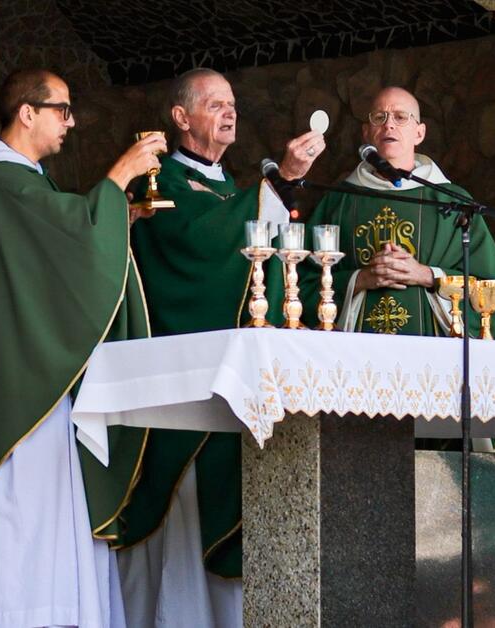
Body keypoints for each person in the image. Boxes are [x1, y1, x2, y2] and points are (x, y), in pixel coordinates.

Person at [0, 69, 163, 627]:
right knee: (28, 503)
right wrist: (118, 179)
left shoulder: (22, 182)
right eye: (61, 109)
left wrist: (115, 215)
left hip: (32, 376)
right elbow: (71, 235)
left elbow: (59, 247)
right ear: (26, 113)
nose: (71, 121)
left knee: (49, 501)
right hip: (20, 385)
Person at [119, 67, 324, 627]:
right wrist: (279, 183)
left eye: (231, 103)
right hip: (182, 390)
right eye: (214, 104)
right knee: (183, 524)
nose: (229, 112)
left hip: (231, 392)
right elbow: (192, 246)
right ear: (181, 117)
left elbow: (259, 260)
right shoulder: (155, 185)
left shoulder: (232, 190)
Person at [301, 86, 495, 337]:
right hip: (355, 355)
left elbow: (493, 287)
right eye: (379, 117)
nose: (389, 125)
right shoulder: (339, 201)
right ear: (367, 132)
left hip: (434, 353)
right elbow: (301, 283)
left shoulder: (452, 201)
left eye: (401, 117)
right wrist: (362, 279)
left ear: (419, 133)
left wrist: (427, 275)